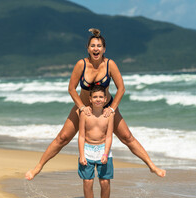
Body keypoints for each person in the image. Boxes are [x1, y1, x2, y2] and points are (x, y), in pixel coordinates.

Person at [25, 28, 165, 181]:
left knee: (127, 137)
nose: (96, 49)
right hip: (84, 106)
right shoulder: (81, 64)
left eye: (99, 46)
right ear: (88, 48)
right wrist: (82, 108)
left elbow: (121, 89)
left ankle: (152, 166)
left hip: (106, 105)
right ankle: (38, 167)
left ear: (104, 49)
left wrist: (112, 109)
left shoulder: (110, 64)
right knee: (63, 138)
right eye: (92, 46)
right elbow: (71, 89)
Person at [78, 85, 114, 198]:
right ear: (90, 99)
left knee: (104, 181)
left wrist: (105, 153)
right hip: (87, 149)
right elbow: (81, 136)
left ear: (105, 99)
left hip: (103, 149)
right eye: (95, 97)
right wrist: (82, 155)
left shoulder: (109, 115)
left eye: (100, 97)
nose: (98, 99)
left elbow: (109, 136)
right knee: (88, 181)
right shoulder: (85, 114)